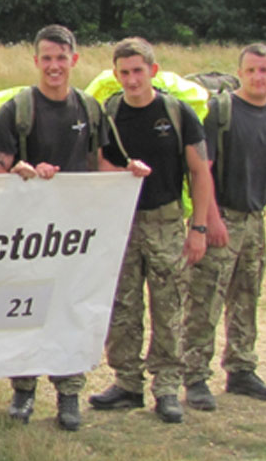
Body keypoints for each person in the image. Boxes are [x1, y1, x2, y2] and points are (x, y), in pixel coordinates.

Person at [0, 24, 107, 431]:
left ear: (74, 60)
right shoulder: (17, 110)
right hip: (27, 237)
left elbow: (103, 167)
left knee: (71, 311)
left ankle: (69, 393)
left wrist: (129, 178)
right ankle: (23, 389)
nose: (54, 66)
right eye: (47, 59)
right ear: (35, 61)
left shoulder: (91, 110)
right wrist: (21, 171)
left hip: (75, 237)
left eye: (61, 58)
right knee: (27, 311)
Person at [89, 37, 211, 424]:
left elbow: (199, 171)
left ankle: (167, 387)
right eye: (123, 73)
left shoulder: (177, 113)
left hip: (166, 223)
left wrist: (200, 228)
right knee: (123, 307)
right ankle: (127, 382)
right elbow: (98, 164)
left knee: (168, 306)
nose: (131, 80)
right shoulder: (109, 114)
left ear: (153, 71)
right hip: (122, 224)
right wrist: (122, 173)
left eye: (138, 71)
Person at [182, 43, 266, 410]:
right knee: (204, 298)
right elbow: (203, 169)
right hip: (223, 215)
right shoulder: (222, 111)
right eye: (251, 71)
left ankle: (241, 367)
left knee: (247, 296)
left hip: (254, 218)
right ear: (240, 73)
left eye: (264, 71)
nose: (258, 78)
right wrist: (210, 219)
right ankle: (195, 374)